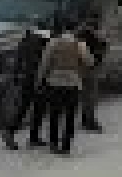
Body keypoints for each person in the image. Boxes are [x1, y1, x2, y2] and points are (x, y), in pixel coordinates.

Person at [38, 16, 95, 154]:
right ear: (75, 29)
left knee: (54, 114)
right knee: (70, 115)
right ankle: (66, 145)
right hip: (73, 83)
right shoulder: (79, 44)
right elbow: (90, 62)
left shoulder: (53, 43)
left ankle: (53, 143)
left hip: (54, 82)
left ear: (63, 29)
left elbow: (44, 63)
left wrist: (41, 79)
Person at [1, 21, 50, 151]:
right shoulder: (44, 41)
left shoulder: (26, 40)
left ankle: (30, 136)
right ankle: (11, 132)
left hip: (28, 77)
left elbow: (18, 59)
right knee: (32, 108)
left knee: (31, 107)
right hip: (38, 78)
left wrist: (16, 75)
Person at [76, 16, 108, 133]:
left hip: (81, 68)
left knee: (85, 95)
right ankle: (89, 121)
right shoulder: (93, 36)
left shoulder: (79, 34)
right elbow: (103, 48)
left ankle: (86, 118)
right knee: (90, 96)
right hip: (90, 68)